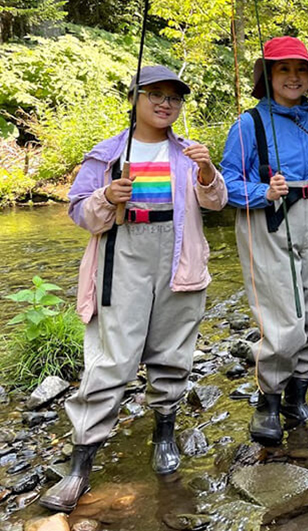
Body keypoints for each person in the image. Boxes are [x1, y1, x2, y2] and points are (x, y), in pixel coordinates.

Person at [41, 66, 227, 512]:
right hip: (123, 255)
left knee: (173, 352)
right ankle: (80, 465)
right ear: (135, 98)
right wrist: (107, 197)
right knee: (111, 360)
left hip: (179, 256)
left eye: (174, 98)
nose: (166, 104)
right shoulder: (106, 154)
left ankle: (165, 434)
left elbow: (218, 202)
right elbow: (79, 214)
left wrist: (206, 171)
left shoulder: (189, 152)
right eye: (155, 95)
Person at [221, 36, 308, 444]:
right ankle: (267, 401)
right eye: (283, 69)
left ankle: (296, 395)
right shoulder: (249, 124)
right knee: (285, 321)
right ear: (268, 76)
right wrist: (262, 191)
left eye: (301, 70)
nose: (294, 77)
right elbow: (227, 181)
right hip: (267, 218)